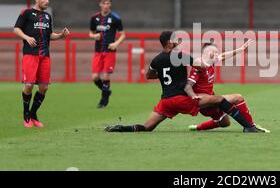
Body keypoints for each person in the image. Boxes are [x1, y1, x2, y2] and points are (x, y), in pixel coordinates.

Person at [104, 31, 264, 133]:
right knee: (220, 99)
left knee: (147, 127)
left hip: (165, 100)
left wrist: (164, 74)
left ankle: (121, 128)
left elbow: (149, 75)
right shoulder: (179, 55)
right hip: (181, 98)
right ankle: (249, 126)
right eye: (175, 40)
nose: (177, 41)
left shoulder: (157, 59)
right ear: (169, 43)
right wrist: (203, 62)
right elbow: (200, 66)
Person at [13, 0, 70, 128]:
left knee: (44, 87)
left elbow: (50, 35)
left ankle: (33, 114)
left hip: (45, 55)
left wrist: (61, 35)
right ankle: (26, 115)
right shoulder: (26, 13)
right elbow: (16, 29)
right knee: (29, 85)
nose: (47, 1)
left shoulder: (47, 17)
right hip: (30, 54)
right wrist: (26, 37)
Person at [185, 42, 270, 133]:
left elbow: (224, 56)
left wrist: (240, 50)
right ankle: (251, 126)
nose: (217, 54)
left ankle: (197, 127)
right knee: (238, 98)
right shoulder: (200, 66)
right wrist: (193, 95)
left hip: (212, 99)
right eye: (213, 51)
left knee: (225, 123)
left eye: (216, 51)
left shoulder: (211, 61)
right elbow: (188, 85)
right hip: (204, 102)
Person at [89, 0, 126, 108]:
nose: (106, 5)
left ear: (110, 4)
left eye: (108, 3)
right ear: (100, 4)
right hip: (98, 51)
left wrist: (116, 43)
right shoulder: (94, 18)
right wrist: (94, 36)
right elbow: (90, 33)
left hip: (109, 51)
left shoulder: (115, 18)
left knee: (105, 77)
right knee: (95, 77)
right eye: (104, 3)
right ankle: (106, 91)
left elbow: (123, 35)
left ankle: (104, 100)